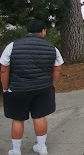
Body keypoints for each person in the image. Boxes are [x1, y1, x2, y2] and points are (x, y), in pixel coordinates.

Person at [1, 19, 64, 155]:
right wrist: (51, 85)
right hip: (43, 88)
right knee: (39, 116)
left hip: (18, 89)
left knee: (18, 119)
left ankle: (16, 150)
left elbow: (4, 70)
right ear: (43, 31)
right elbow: (57, 68)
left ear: (28, 31)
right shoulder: (52, 48)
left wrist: (5, 88)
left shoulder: (12, 46)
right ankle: (41, 147)